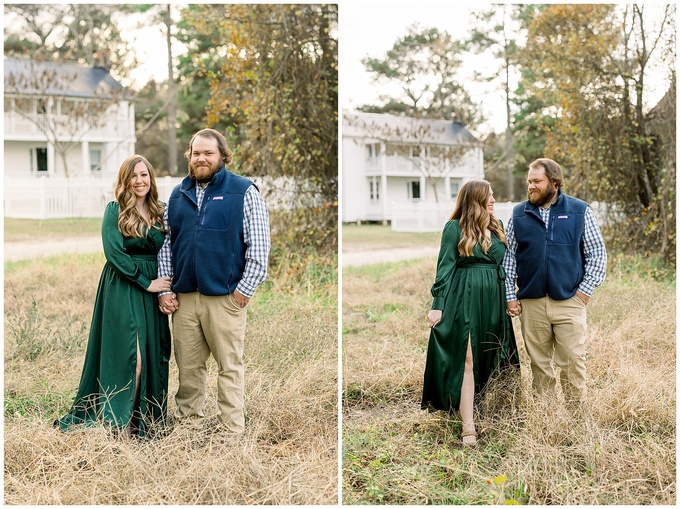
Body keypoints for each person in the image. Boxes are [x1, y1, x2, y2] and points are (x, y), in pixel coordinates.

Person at [157, 128, 270, 434]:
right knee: (189, 368)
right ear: (189, 156)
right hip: (184, 299)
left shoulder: (243, 191)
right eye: (196, 153)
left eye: (208, 153)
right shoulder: (178, 196)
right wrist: (165, 290)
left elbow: (258, 246)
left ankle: (232, 432)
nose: (202, 158)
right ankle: (187, 428)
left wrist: (243, 290)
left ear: (222, 156)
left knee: (229, 368)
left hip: (225, 298)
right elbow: (167, 246)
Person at [57, 155, 172, 437]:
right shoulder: (115, 210)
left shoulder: (161, 210)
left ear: (151, 178)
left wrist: (165, 288)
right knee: (130, 354)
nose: (139, 181)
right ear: (124, 180)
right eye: (133, 176)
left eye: (144, 175)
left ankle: (141, 420)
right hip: (124, 285)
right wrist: (147, 283)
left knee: (151, 351)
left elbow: (170, 249)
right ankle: (117, 421)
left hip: (154, 288)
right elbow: (114, 254)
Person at [502, 158, 607, 408]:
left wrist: (583, 293)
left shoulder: (579, 210)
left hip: (569, 301)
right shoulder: (519, 214)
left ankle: (576, 422)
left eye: (537, 181)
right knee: (540, 367)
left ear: (555, 183)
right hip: (532, 303)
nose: (531, 186)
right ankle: (546, 420)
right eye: (529, 182)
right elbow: (509, 258)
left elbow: (597, 254)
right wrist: (510, 295)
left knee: (572, 363)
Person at [422, 179, 519, 446]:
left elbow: (508, 265)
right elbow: (445, 267)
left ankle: (487, 410)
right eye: (488, 196)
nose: (493, 200)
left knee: (491, 355)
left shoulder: (496, 227)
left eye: (493, 195)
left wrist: (512, 296)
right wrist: (438, 304)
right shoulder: (455, 228)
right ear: (474, 199)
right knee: (467, 359)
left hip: (494, 299)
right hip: (463, 298)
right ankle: (468, 427)